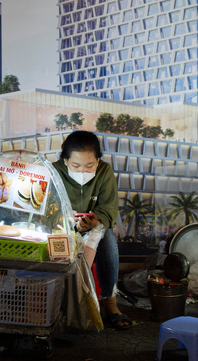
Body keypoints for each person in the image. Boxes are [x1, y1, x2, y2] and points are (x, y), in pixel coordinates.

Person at [52, 130, 131, 330]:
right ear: (65, 161)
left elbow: (109, 207)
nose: (83, 172)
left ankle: (110, 302)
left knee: (108, 236)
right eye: (76, 166)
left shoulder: (104, 172)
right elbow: (47, 207)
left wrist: (95, 220)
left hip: (94, 227)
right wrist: (67, 219)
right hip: (61, 228)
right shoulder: (53, 172)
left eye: (89, 166)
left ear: (98, 160)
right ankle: (56, 302)